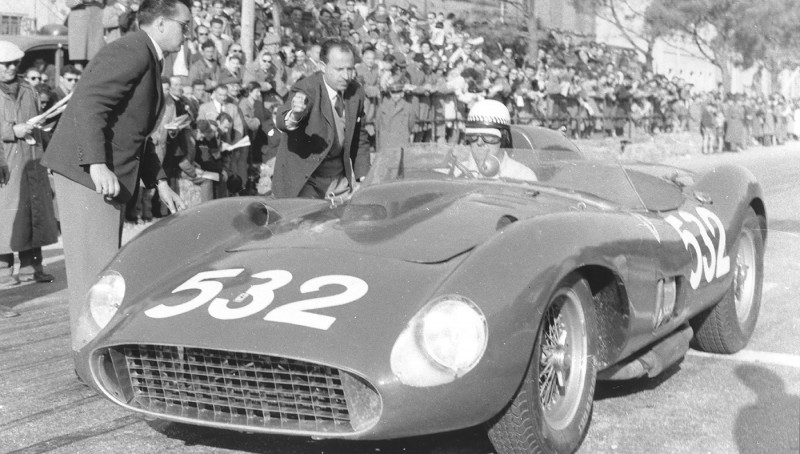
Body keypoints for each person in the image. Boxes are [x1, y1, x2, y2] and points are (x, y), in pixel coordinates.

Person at [42, 0, 189, 352]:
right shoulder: (132, 50)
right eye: (184, 25)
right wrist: (96, 164)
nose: (188, 34)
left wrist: (159, 181)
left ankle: (97, 351)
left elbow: (133, 132)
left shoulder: (147, 55)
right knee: (93, 275)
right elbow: (89, 104)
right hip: (87, 175)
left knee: (101, 271)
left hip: (102, 175)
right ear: (162, 24)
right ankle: (89, 357)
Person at [273, 38, 368, 199]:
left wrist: (364, 177)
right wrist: (295, 115)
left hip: (338, 180)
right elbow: (283, 119)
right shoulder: (307, 88)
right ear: (323, 66)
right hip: (305, 180)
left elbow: (359, 138)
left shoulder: (355, 92)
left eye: (350, 69)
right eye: (339, 69)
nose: (346, 76)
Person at [0, 41, 59, 296]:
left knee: (31, 210)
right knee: (5, 215)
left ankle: (31, 266)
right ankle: (3, 269)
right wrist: (11, 130)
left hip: (31, 158)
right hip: (5, 161)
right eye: (5, 64)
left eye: (14, 63)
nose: (11, 68)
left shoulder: (28, 89)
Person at [462, 99, 537, 182]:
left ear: (504, 137)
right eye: (473, 135)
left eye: (488, 136)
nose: (479, 142)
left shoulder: (522, 177)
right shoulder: (457, 173)